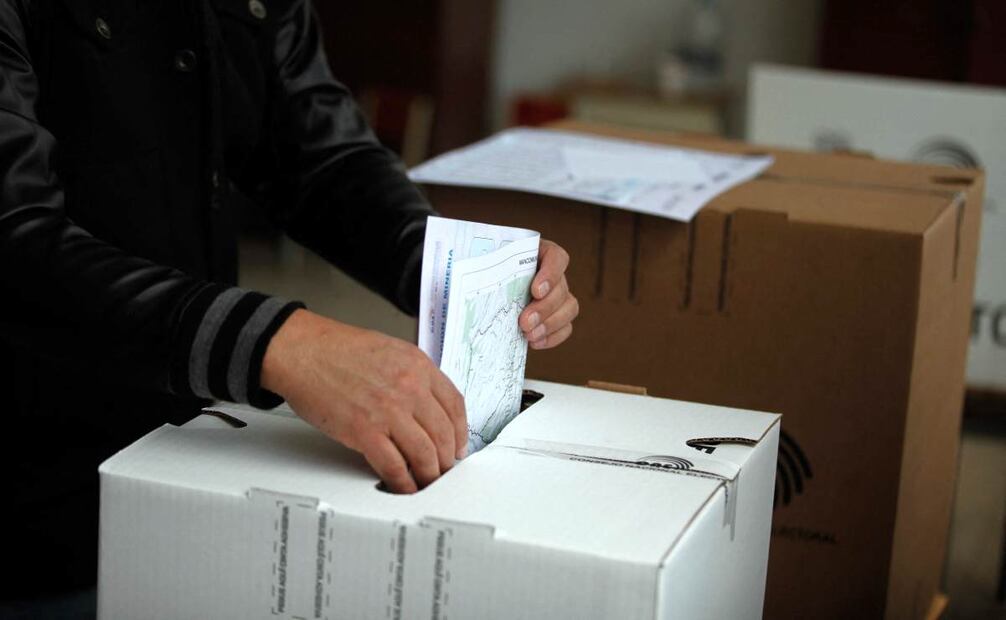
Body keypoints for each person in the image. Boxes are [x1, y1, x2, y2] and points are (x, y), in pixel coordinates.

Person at [0, 0, 578, 612]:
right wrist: (284, 343)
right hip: (30, 493)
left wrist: (450, 273)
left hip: (186, 455)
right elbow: (14, 236)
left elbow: (316, 154)